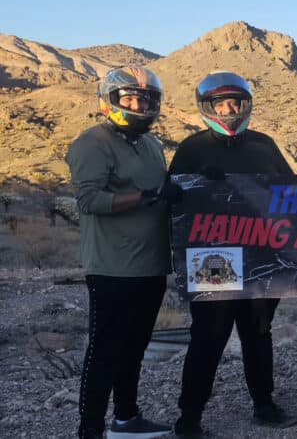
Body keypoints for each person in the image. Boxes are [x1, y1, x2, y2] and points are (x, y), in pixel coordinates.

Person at [172, 72, 297, 437]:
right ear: (207, 107)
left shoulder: (264, 144)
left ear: (246, 105)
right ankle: (189, 417)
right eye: (221, 104)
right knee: (209, 334)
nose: (229, 109)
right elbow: (174, 199)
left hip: (262, 252)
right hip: (214, 257)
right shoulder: (192, 149)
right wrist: (196, 187)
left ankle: (264, 405)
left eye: (235, 103)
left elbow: (289, 191)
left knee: (258, 332)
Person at [66, 65, 176, 439]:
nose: (138, 104)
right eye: (130, 98)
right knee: (104, 350)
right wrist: (143, 198)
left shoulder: (151, 145)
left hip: (151, 264)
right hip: (112, 267)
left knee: (135, 348)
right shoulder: (92, 142)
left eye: (144, 99)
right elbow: (89, 199)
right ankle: (90, 428)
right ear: (110, 101)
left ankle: (127, 418)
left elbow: (163, 190)